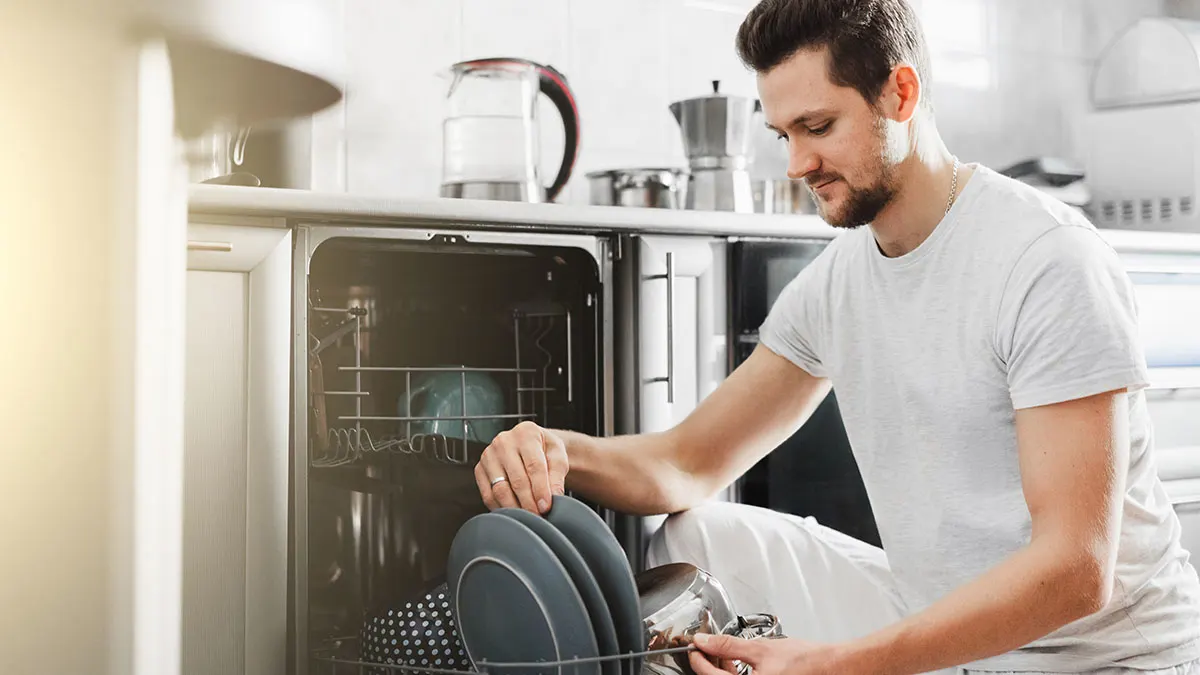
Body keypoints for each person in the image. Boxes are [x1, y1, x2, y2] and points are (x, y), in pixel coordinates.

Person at [472, 0, 1200, 673]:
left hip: (1098, 658)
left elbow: (1076, 569)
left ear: (901, 94)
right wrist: (554, 449)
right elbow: (686, 462)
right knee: (698, 535)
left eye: (818, 127)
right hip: (940, 621)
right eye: (784, 135)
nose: (797, 165)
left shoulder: (1045, 260)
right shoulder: (837, 283)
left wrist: (839, 662)